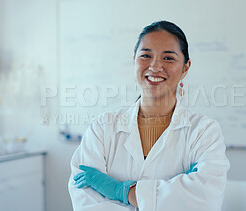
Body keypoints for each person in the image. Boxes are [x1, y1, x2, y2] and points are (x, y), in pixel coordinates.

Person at [68, 20, 230, 211]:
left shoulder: (204, 132)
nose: (155, 66)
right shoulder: (102, 128)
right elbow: (86, 201)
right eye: (145, 55)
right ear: (134, 60)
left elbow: (205, 200)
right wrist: (172, 194)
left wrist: (122, 191)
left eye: (168, 58)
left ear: (186, 68)